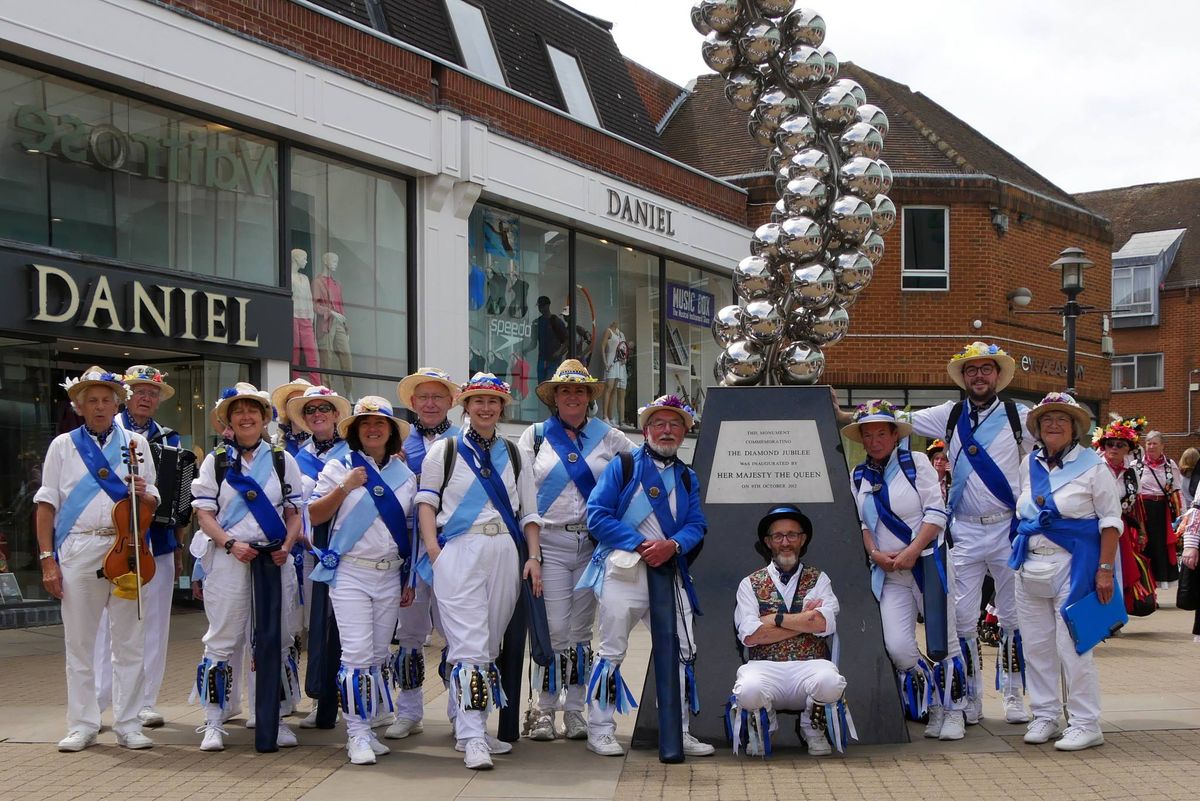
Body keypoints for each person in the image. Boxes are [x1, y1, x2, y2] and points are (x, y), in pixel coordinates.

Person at [415, 373, 540, 770]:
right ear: (465, 407)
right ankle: (472, 738)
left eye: (493, 401)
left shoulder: (516, 453)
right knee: (468, 645)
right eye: (477, 401)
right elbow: (426, 504)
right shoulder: (444, 449)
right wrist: (435, 552)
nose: (485, 408)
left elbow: (530, 512)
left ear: (502, 408)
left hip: (505, 549)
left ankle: (468, 725)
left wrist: (533, 557)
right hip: (460, 549)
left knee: (487, 648)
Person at [581, 394, 713, 759]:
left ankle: (679, 730)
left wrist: (672, 545)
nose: (667, 431)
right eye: (659, 424)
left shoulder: (688, 477)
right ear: (645, 429)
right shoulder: (623, 465)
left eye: (675, 425)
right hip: (624, 572)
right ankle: (601, 730)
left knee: (684, 652)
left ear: (685, 432)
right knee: (611, 651)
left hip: (669, 571)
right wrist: (641, 544)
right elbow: (597, 516)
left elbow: (697, 524)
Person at [36, 367, 160, 752]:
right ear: (79, 405)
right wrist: (47, 559)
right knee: (80, 643)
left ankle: (128, 723)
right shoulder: (62, 445)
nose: (100, 406)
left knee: (129, 641)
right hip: (78, 548)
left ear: (116, 402)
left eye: (107, 399)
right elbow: (46, 504)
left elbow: (154, 501)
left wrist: (145, 492)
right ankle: (83, 723)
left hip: (127, 551)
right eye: (92, 400)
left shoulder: (137, 443)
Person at [905, 342, 1030, 724]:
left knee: (1012, 617)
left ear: (997, 375)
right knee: (961, 619)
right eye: (971, 370)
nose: (979, 376)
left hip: (1007, 527)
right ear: (964, 378)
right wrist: (842, 412)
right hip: (964, 532)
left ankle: (1012, 695)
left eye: (985, 370)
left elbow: (1056, 441)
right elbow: (899, 420)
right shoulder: (950, 413)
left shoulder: (1018, 415)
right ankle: (970, 696)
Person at [518, 359, 633, 742]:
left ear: (589, 397)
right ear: (554, 397)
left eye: (579, 390)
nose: (572, 396)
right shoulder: (534, 436)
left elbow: (642, 468)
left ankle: (576, 710)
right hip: (548, 542)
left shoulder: (611, 437)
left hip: (592, 546)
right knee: (553, 629)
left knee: (582, 631)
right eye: (565, 390)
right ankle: (542, 710)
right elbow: (521, 493)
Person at [190, 383, 304, 753]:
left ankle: (273, 716)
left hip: (274, 560)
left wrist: (286, 545)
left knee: (276, 638)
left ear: (265, 416)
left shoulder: (282, 459)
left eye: (252, 410)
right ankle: (213, 720)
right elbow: (203, 513)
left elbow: (293, 511)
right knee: (222, 638)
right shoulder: (217, 461)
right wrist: (229, 543)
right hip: (229, 558)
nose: (246, 416)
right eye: (238, 411)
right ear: (228, 419)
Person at [845, 401, 965, 740]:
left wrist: (912, 551)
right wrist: (875, 554)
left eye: (881, 433)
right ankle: (934, 702)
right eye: (868, 435)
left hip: (926, 562)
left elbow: (936, 514)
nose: (874, 441)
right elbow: (862, 524)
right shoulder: (858, 475)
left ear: (895, 435)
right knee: (898, 647)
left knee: (945, 640)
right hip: (889, 571)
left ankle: (953, 709)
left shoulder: (918, 463)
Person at [307, 396, 417, 765]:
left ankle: (367, 726)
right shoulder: (338, 465)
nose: (372, 429)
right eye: (365, 423)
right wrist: (346, 486)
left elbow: (411, 529)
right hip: (351, 572)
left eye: (380, 424)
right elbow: (315, 514)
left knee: (375, 656)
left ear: (391, 432)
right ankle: (355, 734)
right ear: (354, 430)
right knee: (354, 655)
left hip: (389, 574)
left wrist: (408, 577)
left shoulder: (406, 475)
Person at [1009, 392, 1120, 751]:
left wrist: (1105, 570)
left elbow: (1110, 522)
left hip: (1076, 564)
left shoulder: (1094, 466)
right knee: (1037, 644)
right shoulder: (1029, 464)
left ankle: (1086, 722)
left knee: (1073, 645)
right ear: (1038, 428)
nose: (1053, 424)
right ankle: (1045, 714)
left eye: (1062, 419)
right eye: (1047, 419)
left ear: (1074, 428)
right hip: (1030, 561)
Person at [93, 366, 190, 730]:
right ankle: (101, 698)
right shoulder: (102, 434)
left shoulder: (169, 439)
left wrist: (179, 541)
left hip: (159, 543)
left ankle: (145, 700)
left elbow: (180, 496)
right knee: (106, 626)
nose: (146, 397)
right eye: (138, 391)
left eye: (152, 392)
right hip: (110, 544)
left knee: (153, 625)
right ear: (124, 395)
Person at [727, 505, 853, 757]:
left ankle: (812, 728)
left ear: (802, 539)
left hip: (810, 664)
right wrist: (804, 622)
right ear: (768, 542)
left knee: (830, 680)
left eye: (792, 535)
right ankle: (764, 727)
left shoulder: (819, 579)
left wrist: (776, 618)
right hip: (765, 667)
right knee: (748, 689)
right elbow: (751, 636)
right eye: (778, 536)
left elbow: (823, 624)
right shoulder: (749, 583)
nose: (785, 542)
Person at [392, 367, 461, 740]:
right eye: (424, 398)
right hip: (408, 554)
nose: (431, 404)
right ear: (413, 403)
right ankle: (408, 711)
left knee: (456, 634)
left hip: (452, 550)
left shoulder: (464, 441)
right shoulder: (397, 442)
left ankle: (458, 711)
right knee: (409, 635)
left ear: (451, 402)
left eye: (438, 397)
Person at [285, 386, 352, 731]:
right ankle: (321, 700)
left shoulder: (353, 451)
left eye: (324, 408)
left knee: (352, 629)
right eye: (310, 411)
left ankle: (362, 701)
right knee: (319, 628)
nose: (317, 414)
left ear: (337, 414)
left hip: (348, 552)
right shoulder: (296, 456)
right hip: (310, 555)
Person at [1094, 420, 1154, 614]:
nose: (1114, 448)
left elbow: (1136, 505)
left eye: (1120, 445)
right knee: (1097, 571)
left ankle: (1114, 614)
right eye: (1109, 444)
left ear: (1128, 449)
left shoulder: (1132, 473)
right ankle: (1096, 615)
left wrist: (1142, 531)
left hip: (1122, 530)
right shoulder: (1094, 468)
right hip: (1094, 529)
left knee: (1119, 571)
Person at [1138, 430, 1184, 587]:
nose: (1151, 446)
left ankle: (1156, 586)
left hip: (1161, 511)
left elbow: (1177, 491)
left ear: (1162, 446)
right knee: (1143, 547)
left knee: (1159, 548)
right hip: (1141, 511)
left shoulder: (1170, 466)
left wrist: (1181, 516)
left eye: (1154, 443)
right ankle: (1145, 588)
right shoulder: (1136, 466)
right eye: (1148, 443)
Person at [272, 378, 315, 456]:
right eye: (291, 401)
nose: (296, 406)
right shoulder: (273, 442)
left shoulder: (324, 441)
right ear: (285, 408)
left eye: (302, 401)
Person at [598, 321, 630, 427]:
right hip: (611, 361)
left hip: (619, 363)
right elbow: (602, 346)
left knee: (614, 390)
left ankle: (611, 418)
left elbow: (623, 348)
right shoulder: (608, 331)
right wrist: (605, 362)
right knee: (608, 388)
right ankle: (604, 416)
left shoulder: (620, 334)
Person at [531, 296, 568, 383]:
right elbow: (533, 343)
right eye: (539, 306)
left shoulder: (556, 321)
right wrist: (523, 350)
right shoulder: (537, 322)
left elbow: (567, 340)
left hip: (553, 360)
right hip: (542, 359)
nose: (540, 308)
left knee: (550, 384)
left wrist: (559, 352)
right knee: (541, 385)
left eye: (542, 306)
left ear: (547, 305)